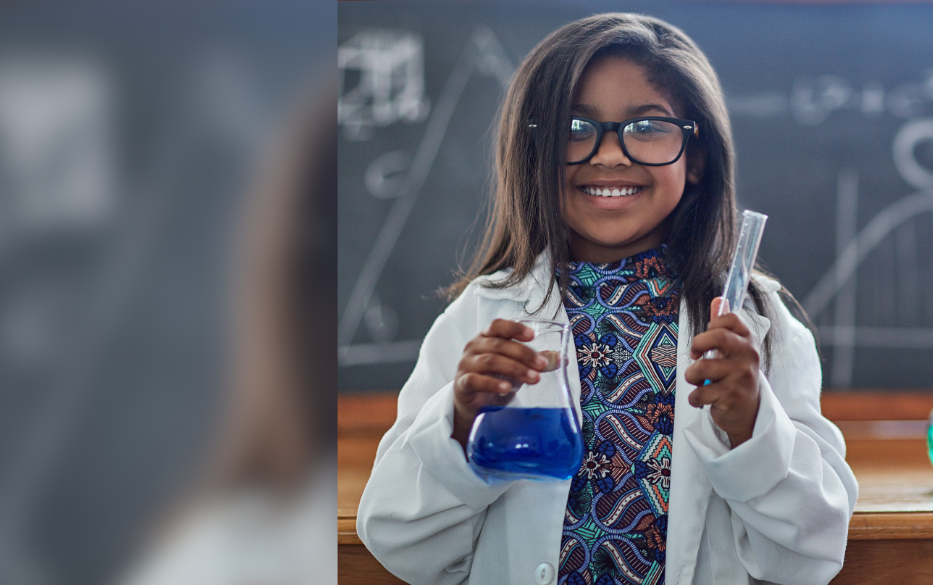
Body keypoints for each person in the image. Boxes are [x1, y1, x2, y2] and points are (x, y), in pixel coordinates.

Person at [357, 13, 857, 585]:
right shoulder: (482, 316)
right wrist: (459, 427)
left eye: (648, 126)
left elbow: (810, 558)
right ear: (535, 151)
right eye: (575, 127)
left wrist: (752, 429)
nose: (611, 154)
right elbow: (397, 541)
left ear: (695, 158)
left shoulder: (756, 323)